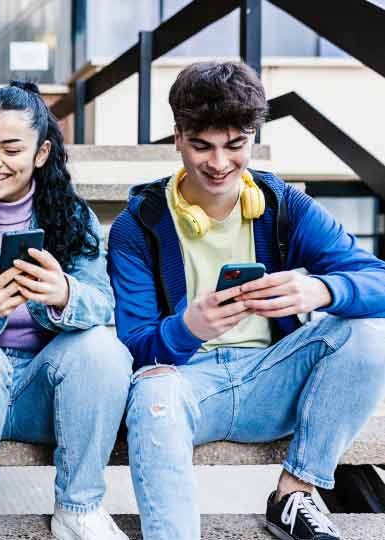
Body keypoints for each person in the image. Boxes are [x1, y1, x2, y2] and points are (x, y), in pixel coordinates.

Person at [107, 61, 385, 540]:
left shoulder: (282, 206)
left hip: (274, 381)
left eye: (235, 146)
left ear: (252, 138)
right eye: (202, 146)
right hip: (186, 389)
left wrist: (322, 289)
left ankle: (294, 494)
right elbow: (133, 347)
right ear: (177, 137)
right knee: (154, 391)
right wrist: (187, 328)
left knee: (365, 332)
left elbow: (375, 280)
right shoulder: (137, 227)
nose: (218, 163)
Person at [0, 81, 132, 540]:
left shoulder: (73, 218)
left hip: (50, 391)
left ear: (41, 154)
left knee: (102, 348)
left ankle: (79, 507)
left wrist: (63, 293)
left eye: (10, 148)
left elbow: (102, 303)